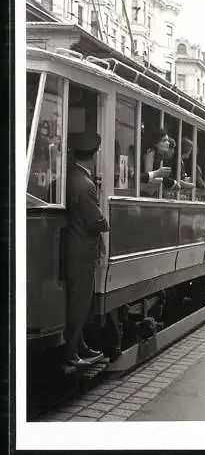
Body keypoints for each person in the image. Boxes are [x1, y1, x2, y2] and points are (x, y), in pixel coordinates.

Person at [63, 131, 110, 367]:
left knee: (76, 301)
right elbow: (96, 222)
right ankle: (71, 353)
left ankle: (80, 345)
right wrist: (106, 222)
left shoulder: (68, 177)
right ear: (93, 156)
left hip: (72, 246)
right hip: (82, 251)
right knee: (79, 303)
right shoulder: (86, 184)